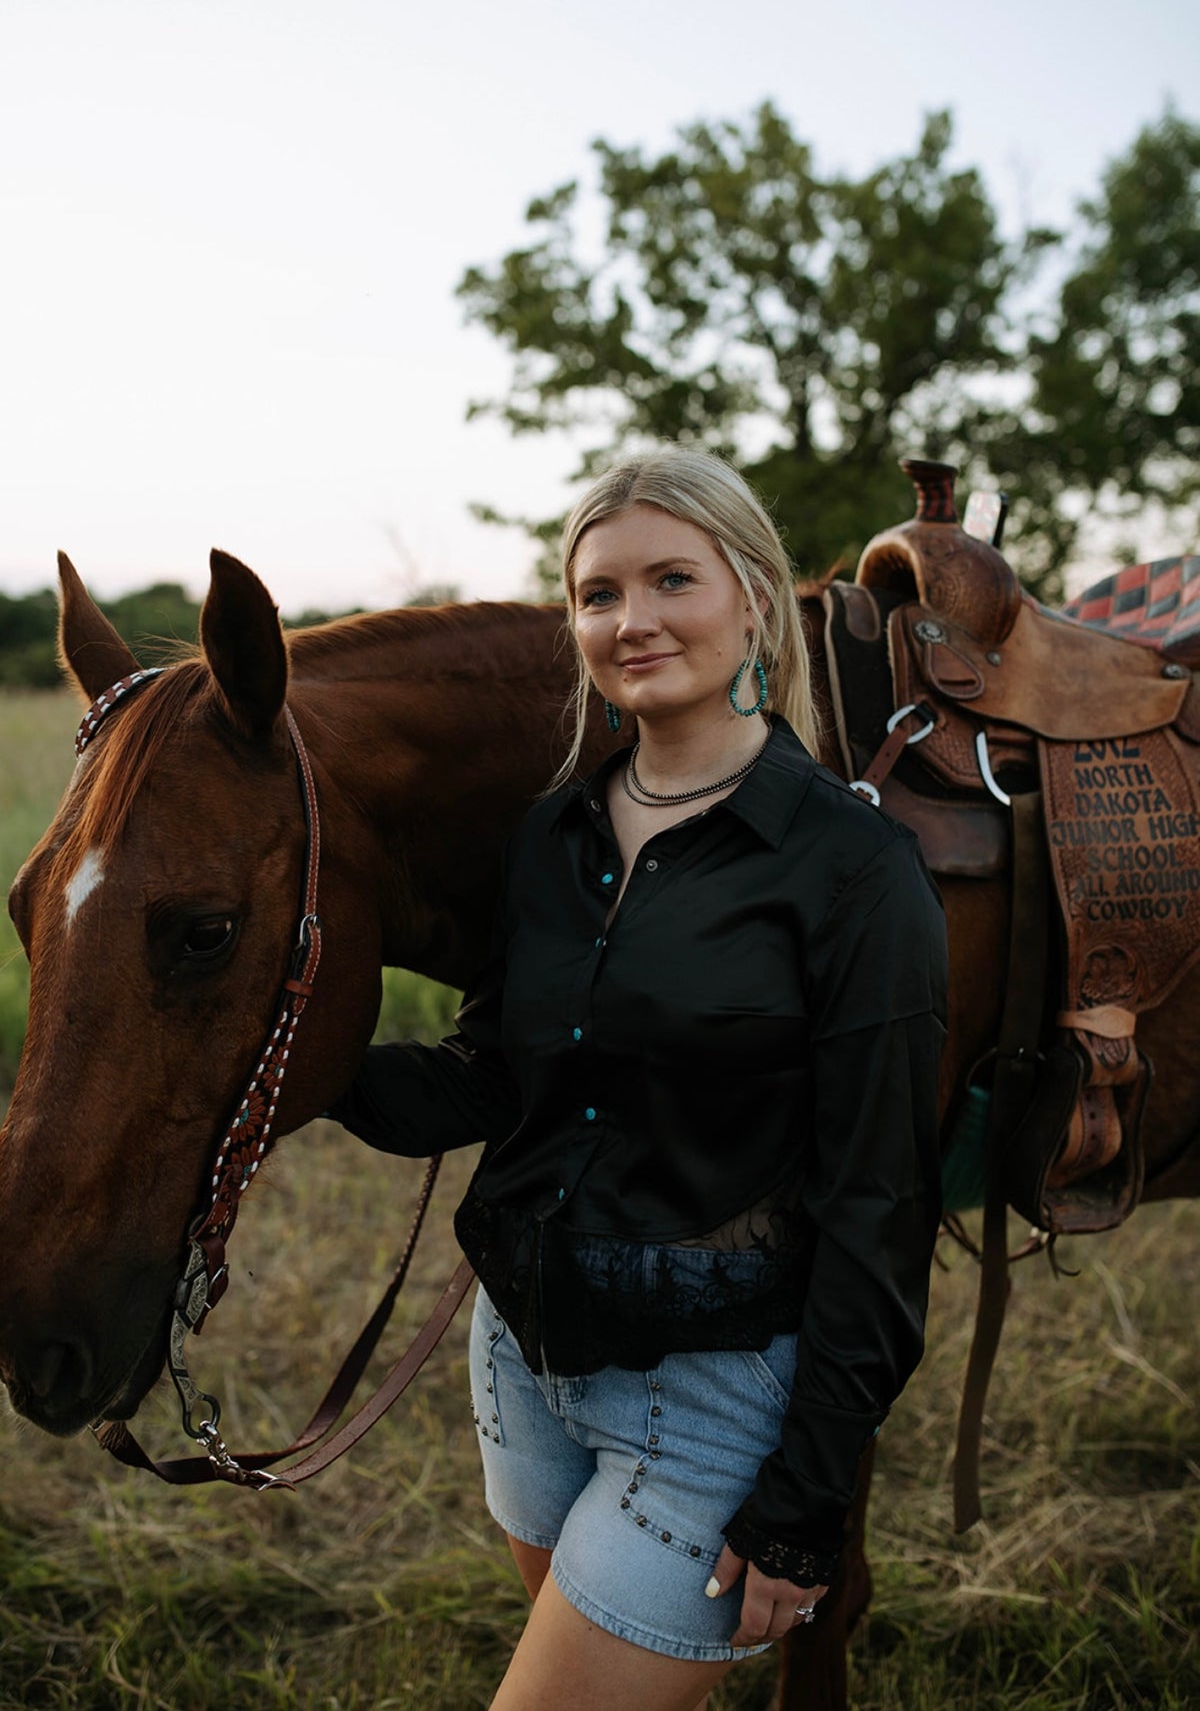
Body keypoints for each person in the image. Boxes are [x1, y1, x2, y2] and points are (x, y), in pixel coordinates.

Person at [329, 446, 947, 1711]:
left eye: (673, 578)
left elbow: (882, 1208)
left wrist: (806, 1501)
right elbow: (496, 1082)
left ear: (755, 599)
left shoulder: (851, 867)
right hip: (523, 1368)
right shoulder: (554, 837)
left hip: (713, 1401)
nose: (633, 620)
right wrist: (300, 1066)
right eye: (599, 594)